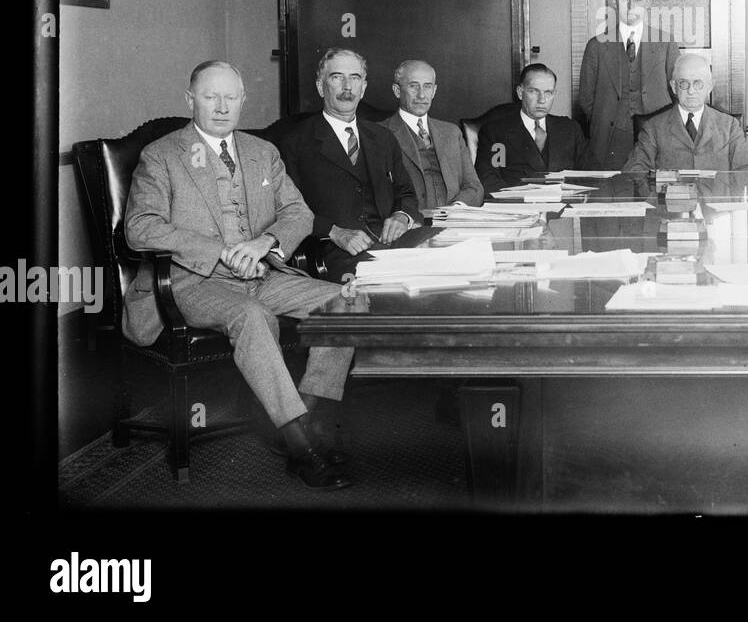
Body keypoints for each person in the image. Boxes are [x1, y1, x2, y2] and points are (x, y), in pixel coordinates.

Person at [124, 60, 358, 490]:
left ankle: (298, 420)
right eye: (210, 96)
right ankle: (301, 445)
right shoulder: (161, 155)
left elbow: (298, 212)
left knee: (346, 300)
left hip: (263, 275)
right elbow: (140, 229)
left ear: (243, 101)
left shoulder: (261, 151)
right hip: (192, 282)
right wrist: (221, 251)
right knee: (252, 317)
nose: (221, 106)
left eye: (230, 97)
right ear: (189, 99)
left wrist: (265, 243)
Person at [280, 47, 423, 282]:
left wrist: (401, 216)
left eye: (355, 78)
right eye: (337, 77)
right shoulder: (294, 141)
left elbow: (406, 193)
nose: (347, 87)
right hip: (336, 251)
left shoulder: (384, 138)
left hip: (393, 245)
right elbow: (287, 209)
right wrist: (334, 232)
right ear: (320, 86)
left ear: (363, 88)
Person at [577, 0, 679, 169]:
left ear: (647, 2)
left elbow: (677, 93)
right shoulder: (596, 45)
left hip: (656, 140)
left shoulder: (666, 42)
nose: (631, 6)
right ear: (615, 1)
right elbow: (586, 99)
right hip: (609, 142)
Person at [624, 53, 748, 173]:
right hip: (670, 200)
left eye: (698, 83)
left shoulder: (729, 126)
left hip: (715, 200)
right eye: (683, 83)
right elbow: (634, 171)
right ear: (674, 87)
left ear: (710, 86)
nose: (691, 91)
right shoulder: (653, 127)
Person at [381, 59, 484, 210]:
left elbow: (474, 187)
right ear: (397, 91)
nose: (422, 95)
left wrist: (457, 208)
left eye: (427, 87)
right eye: (413, 86)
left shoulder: (451, 132)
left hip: (455, 222)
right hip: (410, 225)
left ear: (434, 91)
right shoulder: (380, 133)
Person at [476, 63, 588, 193]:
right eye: (533, 91)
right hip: (518, 207)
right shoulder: (496, 134)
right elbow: (489, 180)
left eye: (548, 92)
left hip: (566, 206)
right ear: (520, 93)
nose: (542, 100)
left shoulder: (570, 129)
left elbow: (593, 172)